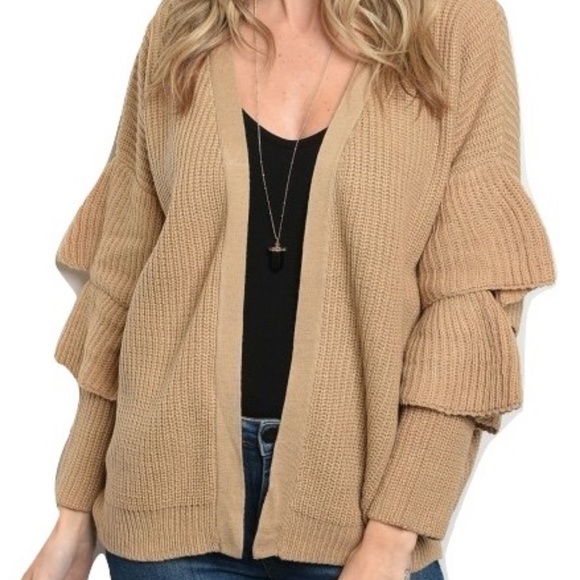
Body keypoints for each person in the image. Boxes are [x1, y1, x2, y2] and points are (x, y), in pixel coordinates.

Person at [23, 0, 556, 578]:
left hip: (359, 518)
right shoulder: (183, 25)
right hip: (161, 503)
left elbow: (469, 303)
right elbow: (123, 272)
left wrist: (393, 534)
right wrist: (75, 515)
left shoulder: (454, 25)